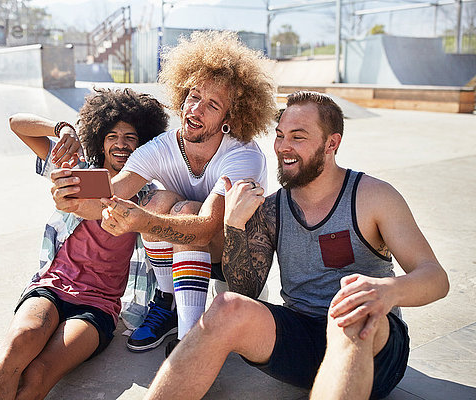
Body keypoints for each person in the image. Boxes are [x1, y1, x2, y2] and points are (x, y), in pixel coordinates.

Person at [144, 91, 450, 400]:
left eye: (298, 137)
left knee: (349, 311)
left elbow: (434, 277)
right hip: (303, 341)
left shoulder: (372, 197)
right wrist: (234, 226)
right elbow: (244, 290)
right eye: (280, 136)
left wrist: (387, 291)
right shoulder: (272, 209)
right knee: (226, 307)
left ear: (332, 144)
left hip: (373, 348)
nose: (283, 147)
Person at [50, 30, 278, 355]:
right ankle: (169, 300)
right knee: (160, 201)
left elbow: (209, 225)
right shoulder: (162, 147)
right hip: (181, 254)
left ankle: (190, 343)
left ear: (231, 119)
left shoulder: (243, 155)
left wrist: (141, 221)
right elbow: (114, 190)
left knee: (183, 211)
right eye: (193, 95)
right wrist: (72, 193)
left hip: (237, 255)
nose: (195, 109)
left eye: (212, 105)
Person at [0, 88, 168, 400]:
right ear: (99, 140)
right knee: (20, 342)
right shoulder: (79, 171)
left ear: (143, 143)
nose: (121, 144)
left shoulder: (149, 196)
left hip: (98, 306)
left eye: (131, 137)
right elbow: (16, 123)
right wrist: (62, 128)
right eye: (112, 135)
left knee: (39, 373)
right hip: (52, 286)